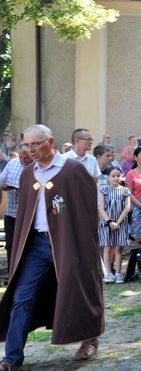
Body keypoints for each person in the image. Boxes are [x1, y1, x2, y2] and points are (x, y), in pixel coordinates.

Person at [0, 124, 104, 368]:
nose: (30, 149)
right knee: (21, 297)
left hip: (68, 244)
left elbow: (87, 213)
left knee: (78, 292)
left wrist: (85, 248)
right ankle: (12, 358)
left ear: (51, 142)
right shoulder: (27, 174)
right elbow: (25, 213)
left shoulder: (73, 170)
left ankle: (89, 339)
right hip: (36, 245)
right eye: (26, 144)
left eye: (36, 144)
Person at [98, 167, 131, 284]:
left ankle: (118, 273)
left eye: (118, 175)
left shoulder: (125, 191)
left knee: (118, 247)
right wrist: (109, 222)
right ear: (108, 177)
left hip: (120, 223)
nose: (116, 178)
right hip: (106, 223)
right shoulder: (104, 191)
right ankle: (108, 273)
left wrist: (118, 222)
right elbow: (101, 208)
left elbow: (127, 208)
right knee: (107, 247)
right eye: (113, 176)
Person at [0, 145, 32, 265]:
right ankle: (11, 274)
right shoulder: (12, 163)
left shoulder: (37, 167)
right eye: (21, 157)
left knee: (28, 246)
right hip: (11, 213)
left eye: (26, 158)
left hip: (28, 215)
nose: (23, 160)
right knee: (11, 246)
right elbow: (1, 180)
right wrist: (4, 185)